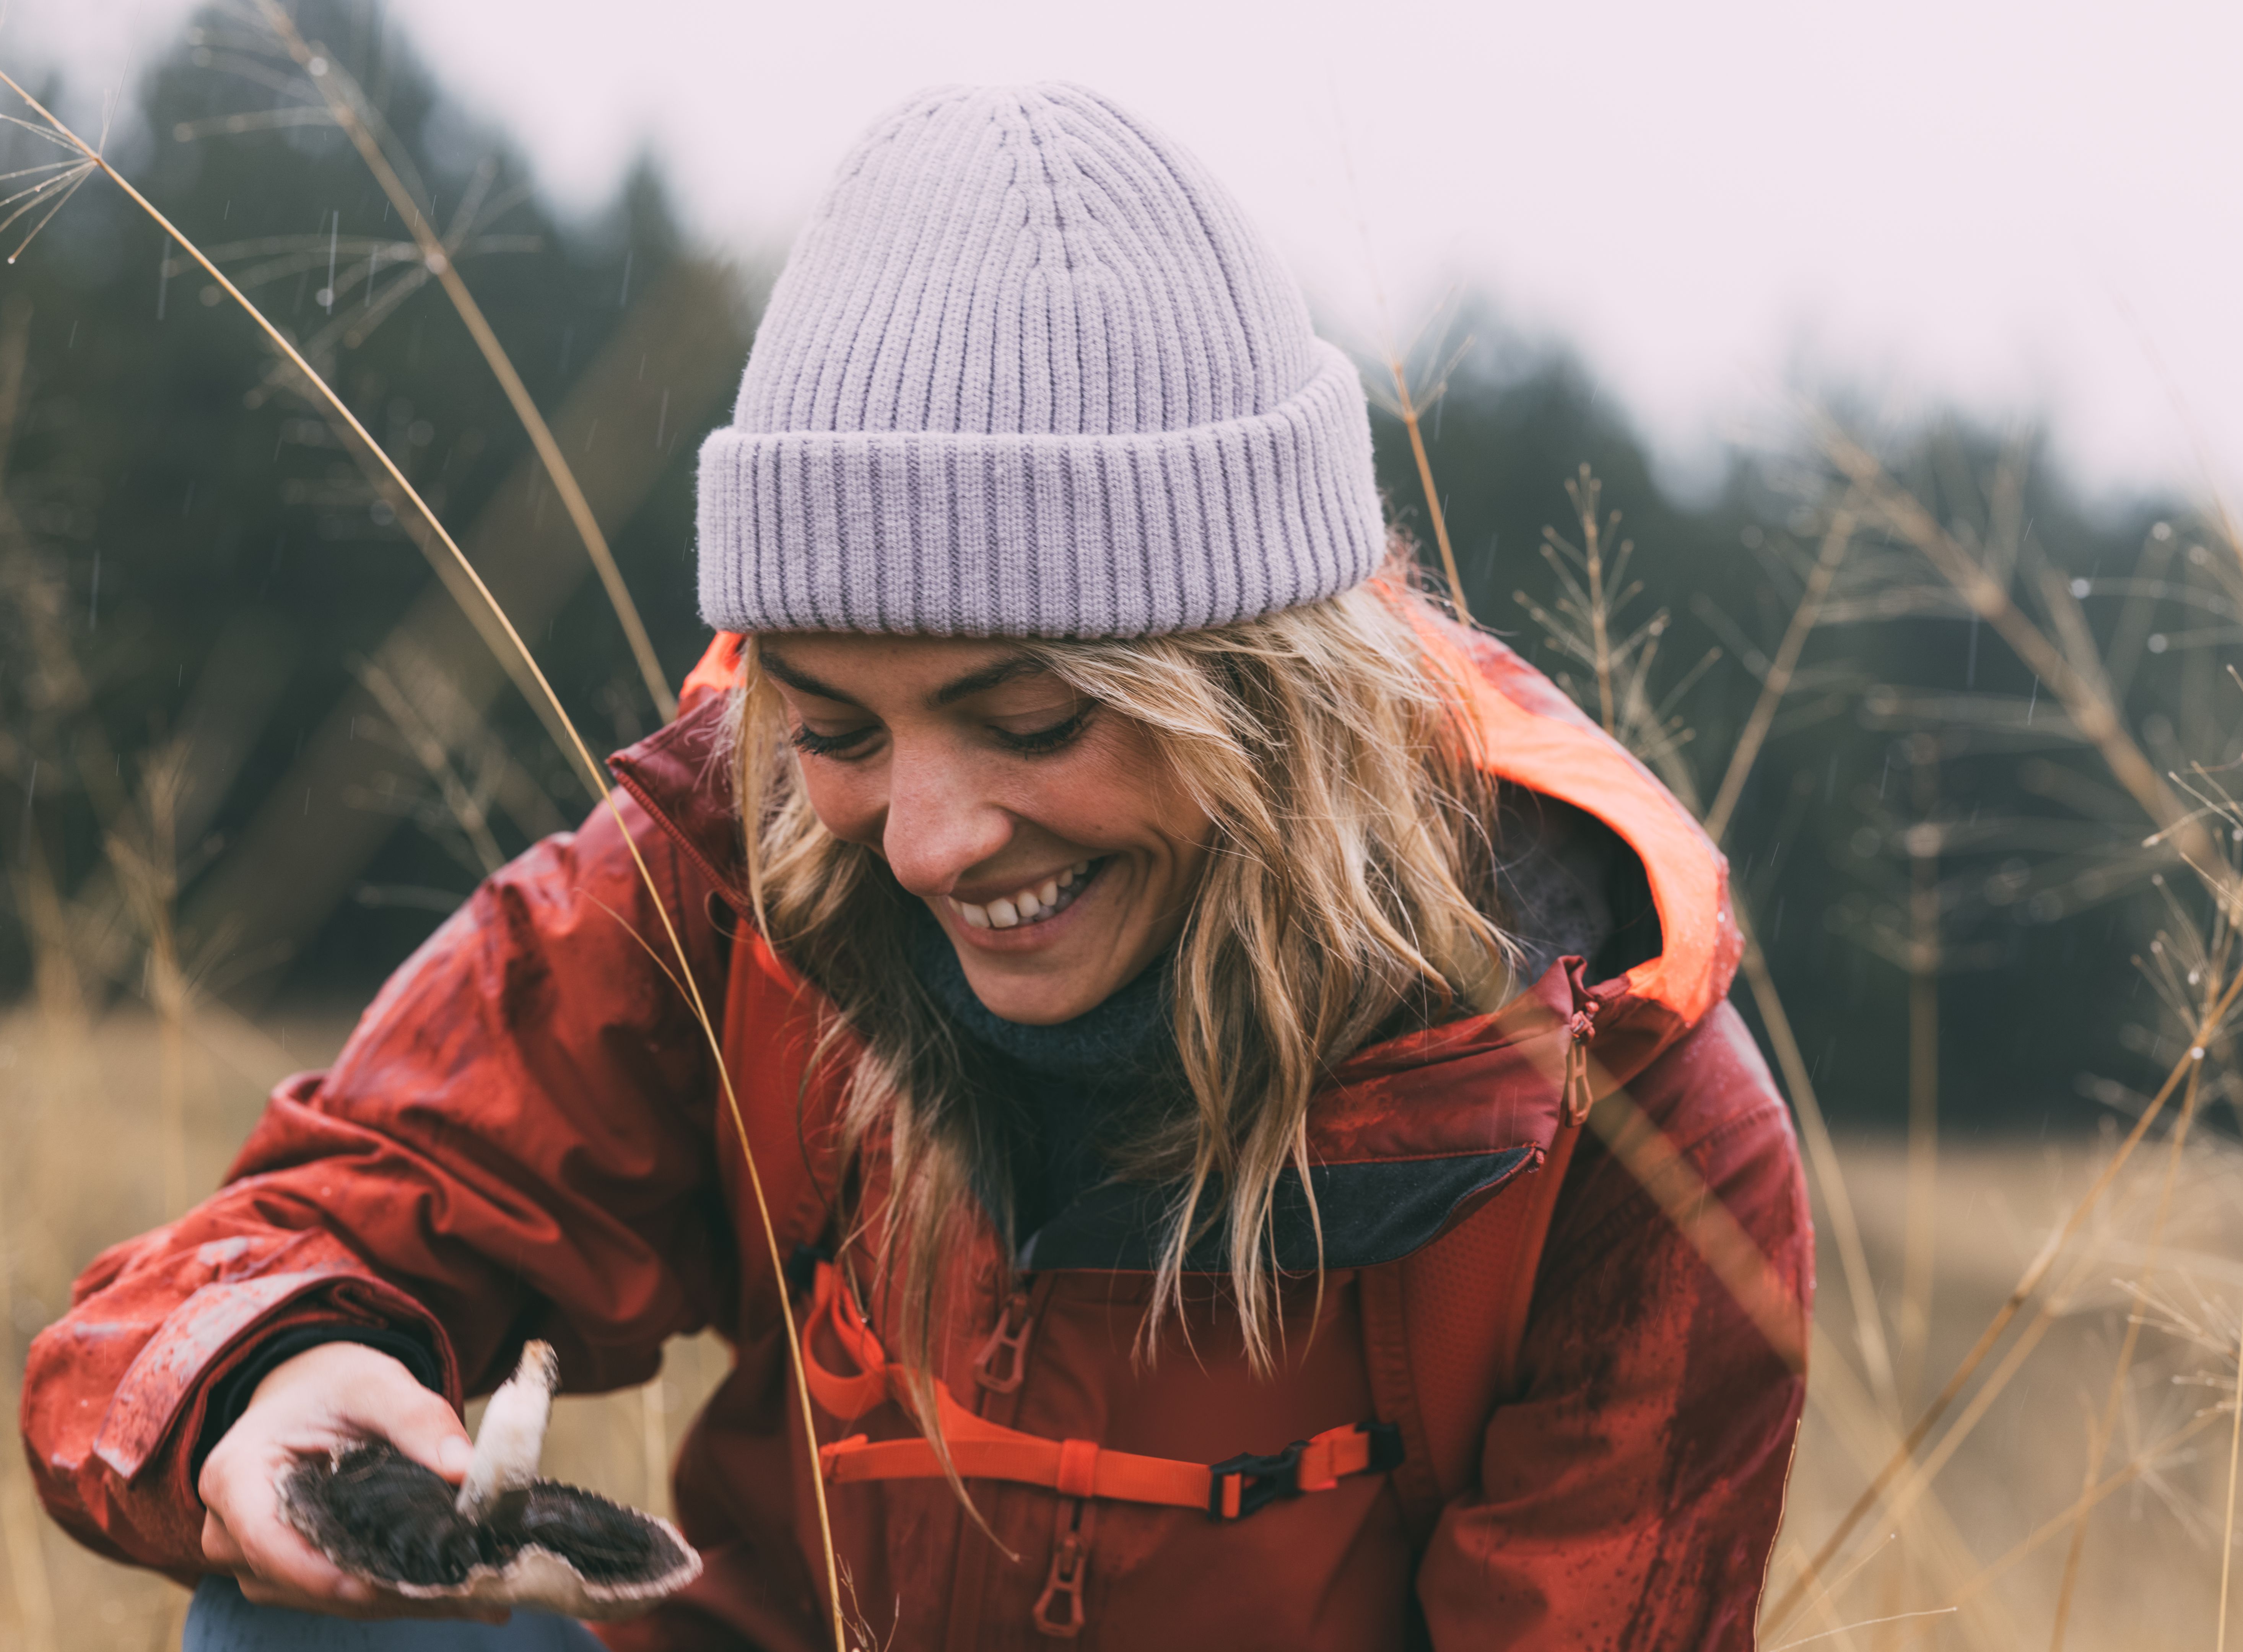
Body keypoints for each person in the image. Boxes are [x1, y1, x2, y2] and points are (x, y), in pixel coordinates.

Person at [23, 84, 1812, 1651]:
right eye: (838, 723)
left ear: (1271, 697)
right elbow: (253, 1260)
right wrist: (269, 1373)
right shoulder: (742, 877)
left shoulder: (1631, 1133)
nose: (931, 843)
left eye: (1029, 721)